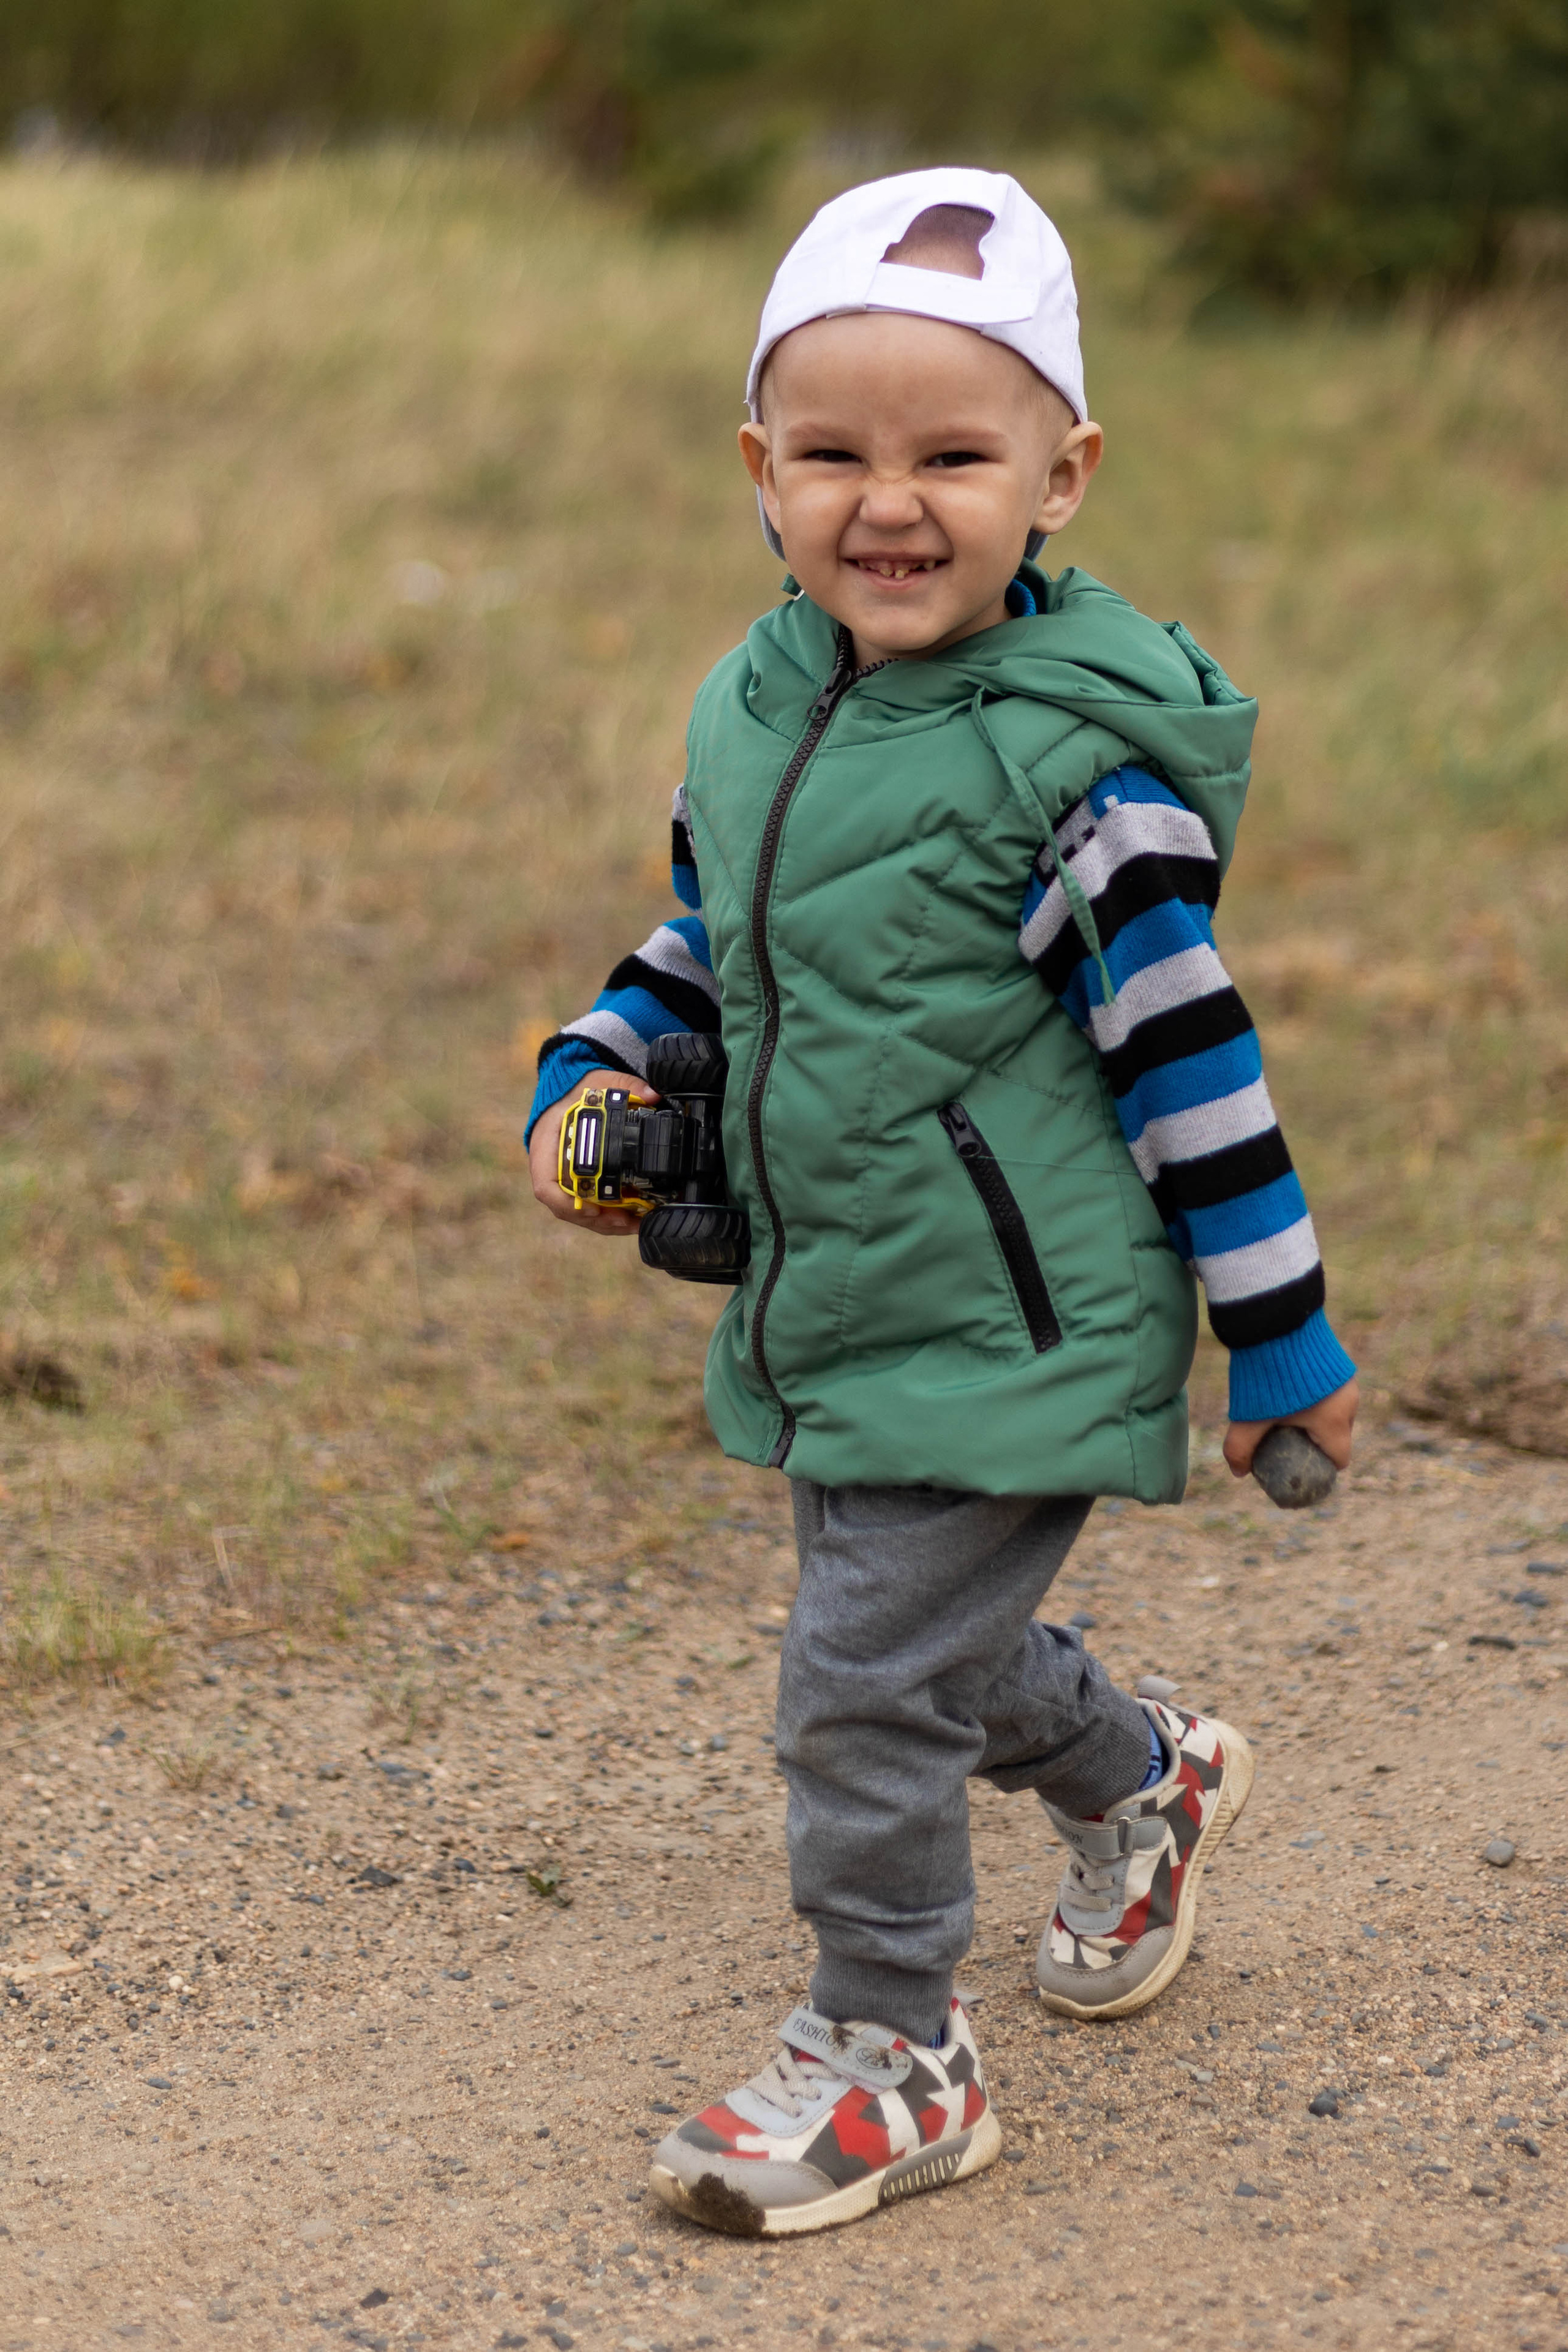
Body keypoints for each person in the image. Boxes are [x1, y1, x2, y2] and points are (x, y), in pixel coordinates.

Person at [526, 167, 1358, 2239]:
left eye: (954, 457)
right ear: (759, 470)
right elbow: (725, 931)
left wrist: (1286, 1339)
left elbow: (1200, 1076)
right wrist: (603, 1055)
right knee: (927, 1653)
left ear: (1061, 476)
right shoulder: (769, 698)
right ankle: (1144, 1781)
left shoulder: (1081, 778)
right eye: (834, 455)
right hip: (848, 1291)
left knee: (860, 1684)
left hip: (1023, 1309)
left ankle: (898, 2048)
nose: (888, 505)